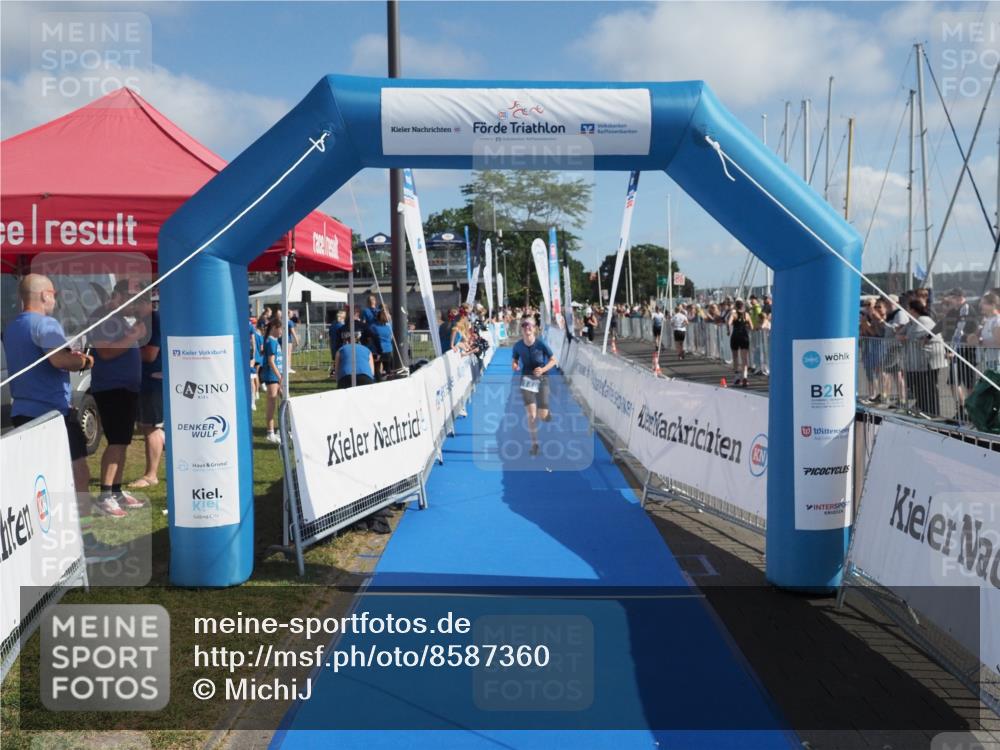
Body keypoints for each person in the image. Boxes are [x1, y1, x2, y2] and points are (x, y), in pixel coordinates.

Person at [4, 275, 126, 560]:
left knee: (38, 482)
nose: (57, 299)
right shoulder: (46, 324)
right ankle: (86, 542)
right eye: (54, 294)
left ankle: (49, 539)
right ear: (45, 295)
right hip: (52, 413)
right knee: (78, 475)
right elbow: (60, 360)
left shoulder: (12, 327)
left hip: (23, 412)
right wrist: (84, 360)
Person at [88, 279, 146, 513]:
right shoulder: (103, 316)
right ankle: (105, 494)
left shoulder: (119, 319)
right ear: (118, 295)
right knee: (116, 442)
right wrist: (132, 337)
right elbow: (104, 351)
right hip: (111, 388)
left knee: (122, 442)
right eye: (132, 298)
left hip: (125, 388)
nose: (135, 305)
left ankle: (115, 491)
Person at [129, 293, 164, 488]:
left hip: (153, 381)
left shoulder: (153, 320)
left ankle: (151, 475)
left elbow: (150, 354)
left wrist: (125, 350)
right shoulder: (144, 321)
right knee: (150, 427)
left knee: (152, 427)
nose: (133, 309)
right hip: (147, 381)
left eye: (135, 304)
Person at [511, 316, 557, 457]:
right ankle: (535, 444)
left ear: (535, 328)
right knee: (531, 415)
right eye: (525, 325)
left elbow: (554, 360)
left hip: (542, 379)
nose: (527, 327)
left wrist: (543, 370)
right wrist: (514, 364)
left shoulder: (541, 344)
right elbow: (515, 358)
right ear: (522, 328)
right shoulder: (518, 345)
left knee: (542, 415)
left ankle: (546, 414)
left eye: (530, 325)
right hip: (526, 380)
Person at [900, 298, 945, 416]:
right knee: (920, 385)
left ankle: (932, 411)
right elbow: (900, 333)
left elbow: (910, 336)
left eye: (908, 309)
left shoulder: (923, 320)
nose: (907, 311)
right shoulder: (913, 321)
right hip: (920, 360)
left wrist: (904, 336)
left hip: (929, 359)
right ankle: (923, 408)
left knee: (929, 386)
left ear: (913, 310)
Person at [261, 319, 284, 443]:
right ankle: (270, 433)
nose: (282, 332)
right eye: (281, 329)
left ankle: (283, 429)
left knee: (285, 400)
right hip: (272, 377)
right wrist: (279, 376)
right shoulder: (271, 342)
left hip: (276, 377)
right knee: (272, 403)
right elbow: (271, 361)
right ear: (275, 327)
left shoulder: (273, 341)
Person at [727, 299, 752, 387]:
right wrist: (747, 326)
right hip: (744, 336)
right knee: (744, 358)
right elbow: (751, 326)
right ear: (743, 306)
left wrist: (728, 331)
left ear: (736, 306)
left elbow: (729, 323)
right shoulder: (747, 315)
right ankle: (745, 377)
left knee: (735, 357)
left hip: (735, 336)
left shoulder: (733, 314)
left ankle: (737, 377)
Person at [369, 309, 394, 380]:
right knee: (388, 369)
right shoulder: (389, 326)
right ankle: (390, 381)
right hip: (388, 349)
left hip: (377, 350)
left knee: (376, 369)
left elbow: (371, 338)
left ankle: (378, 382)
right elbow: (391, 337)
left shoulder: (373, 327)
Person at [328, 309, 347, 376]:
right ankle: (335, 373)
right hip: (339, 345)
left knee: (335, 360)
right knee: (340, 360)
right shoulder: (341, 326)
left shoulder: (333, 325)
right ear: (343, 318)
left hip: (333, 344)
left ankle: (333, 372)